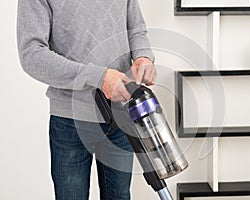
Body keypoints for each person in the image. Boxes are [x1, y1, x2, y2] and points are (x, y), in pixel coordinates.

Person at [17, 0, 156, 199]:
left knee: (120, 196)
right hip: (70, 119)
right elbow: (32, 54)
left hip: (121, 115)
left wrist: (144, 57)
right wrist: (99, 77)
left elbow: (135, 29)